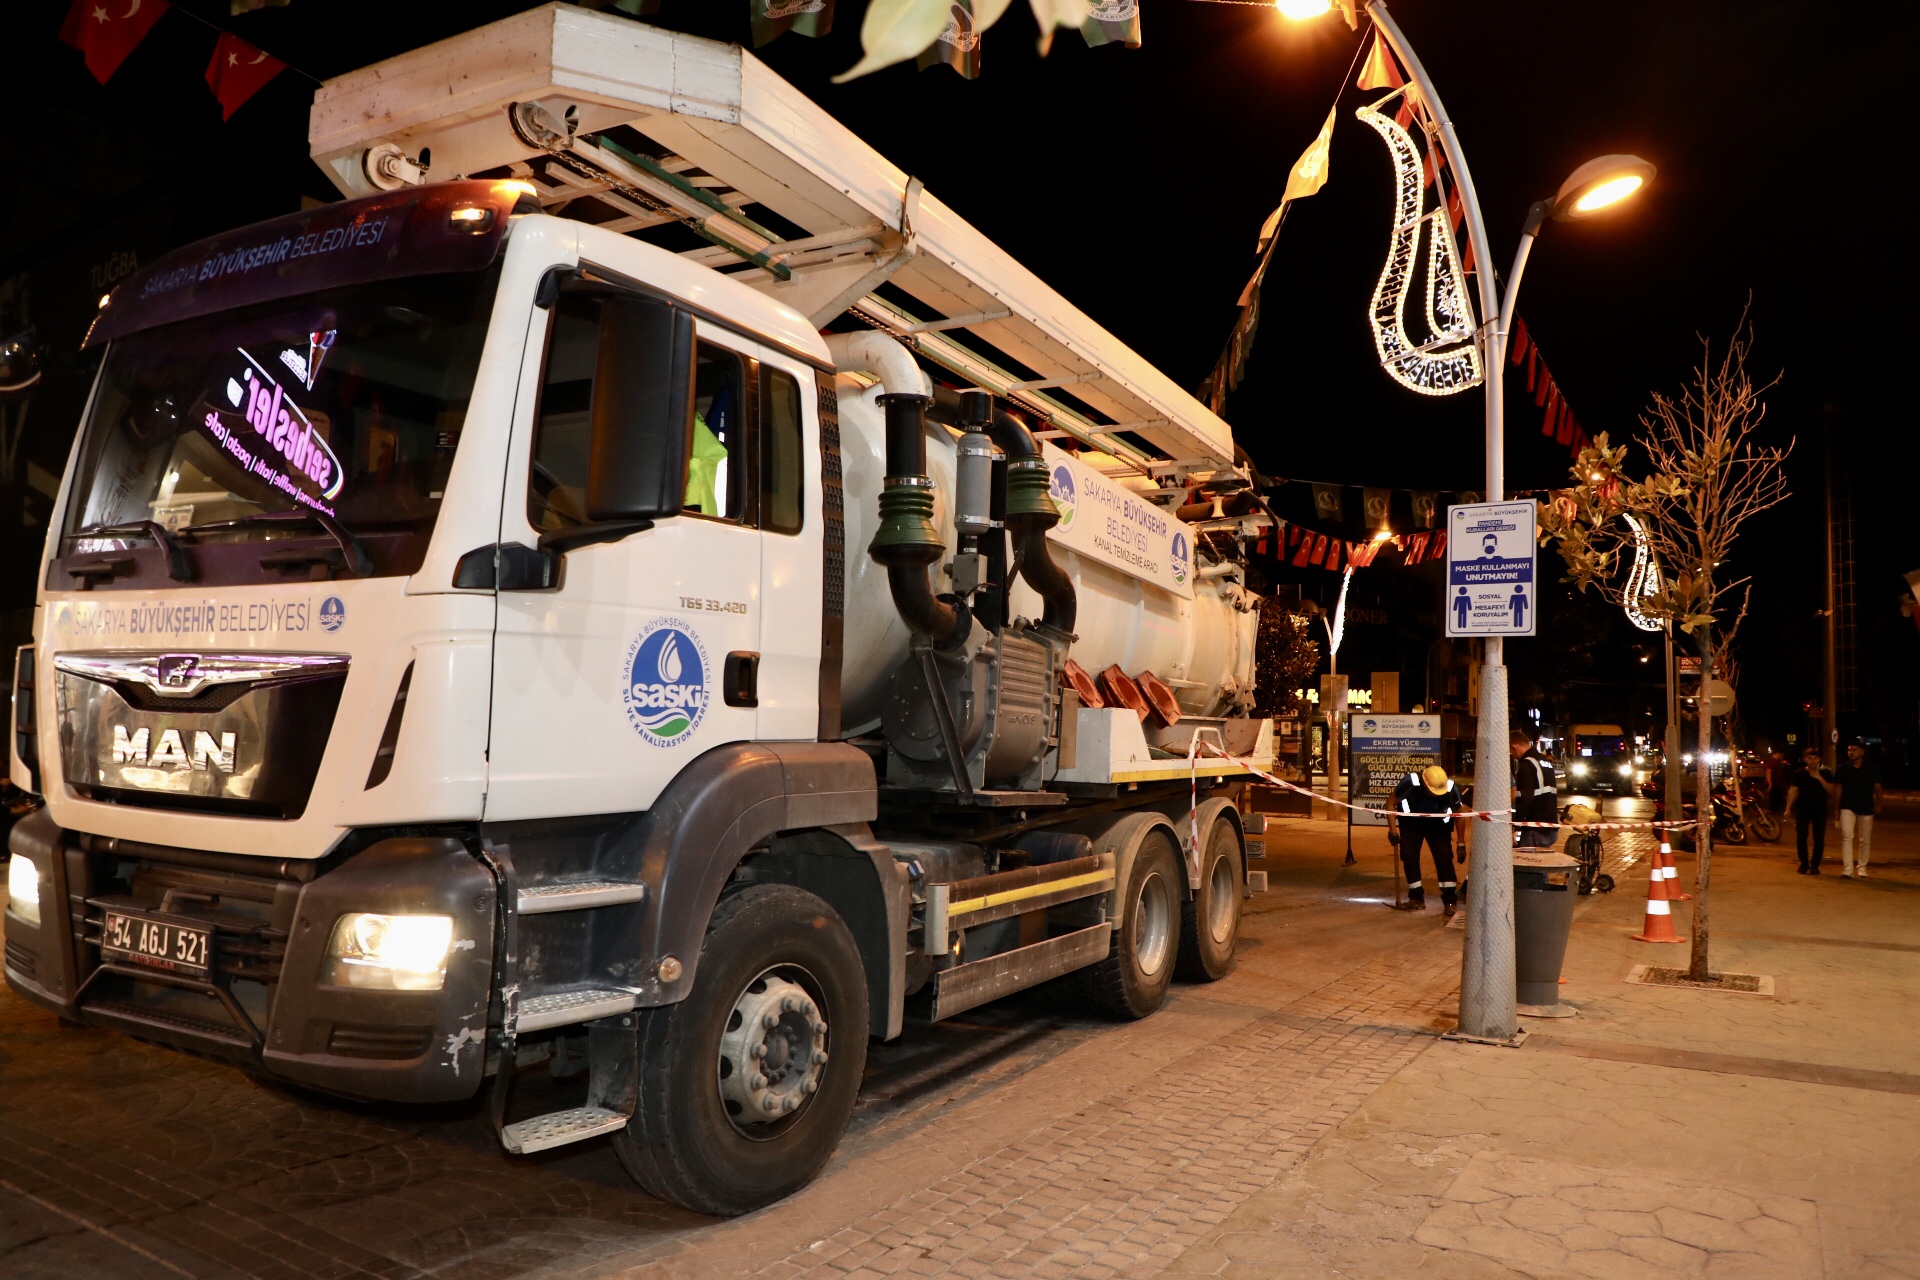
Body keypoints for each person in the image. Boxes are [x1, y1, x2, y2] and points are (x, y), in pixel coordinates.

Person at [1389, 764, 1466, 915]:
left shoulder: (1449, 788)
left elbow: (1460, 814)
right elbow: (1390, 802)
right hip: (1411, 825)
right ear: (1425, 784)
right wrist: (1392, 830)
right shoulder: (1410, 782)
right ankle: (1416, 898)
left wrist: (1461, 843)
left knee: (1444, 858)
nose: (1436, 795)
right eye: (1433, 792)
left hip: (1438, 827)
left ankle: (1450, 901)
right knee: (1409, 857)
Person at [1834, 740, 1883, 878]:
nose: (1851, 752)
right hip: (1847, 807)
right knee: (1847, 837)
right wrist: (1836, 808)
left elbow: (1878, 787)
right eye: (1849, 750)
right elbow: (1838, 789)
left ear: (1862, 752)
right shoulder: (1842, 768)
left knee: (1865, 839)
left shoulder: (1871, 768)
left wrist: (1879, 803)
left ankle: (1862, 867)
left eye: (1854, 749)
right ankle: (1848, 868)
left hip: (1866, 807)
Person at [1783, 748, 1834, 875]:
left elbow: (1831, 790)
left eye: (1815, 758)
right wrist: (1788, 808)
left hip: (1820, 809)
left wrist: (1819, 778)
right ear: (1805, 759)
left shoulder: (1826, 773)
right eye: (1809, 758)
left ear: (1819, 759)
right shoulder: (1799, 773)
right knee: (1802, 835)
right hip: (1802, 808)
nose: (1812, 761)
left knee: (1819, 837)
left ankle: (1815, 865)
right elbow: (1793, 790)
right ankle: (1804, 863)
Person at [1509, 728, 1558, 848]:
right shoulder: (1544, 761)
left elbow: (1526, 798)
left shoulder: (1527, 765)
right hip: (1550, 827)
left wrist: (1517, 826)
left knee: (1531, 864)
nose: (1514, 757)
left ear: (1515, 747)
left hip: (1534, 829)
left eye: (1512, 752)